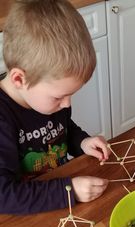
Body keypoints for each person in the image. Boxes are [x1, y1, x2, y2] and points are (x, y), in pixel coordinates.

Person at [0, 0, 110, 215]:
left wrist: (82, 142)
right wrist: (69, 192)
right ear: (19, 79)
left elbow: (61, 129)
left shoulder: (43, 99)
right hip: (29, 215)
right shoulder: (3, 118)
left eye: (71, 95)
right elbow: (4, 195)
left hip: (60, 193)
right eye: (59, 97)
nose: (67, 104)